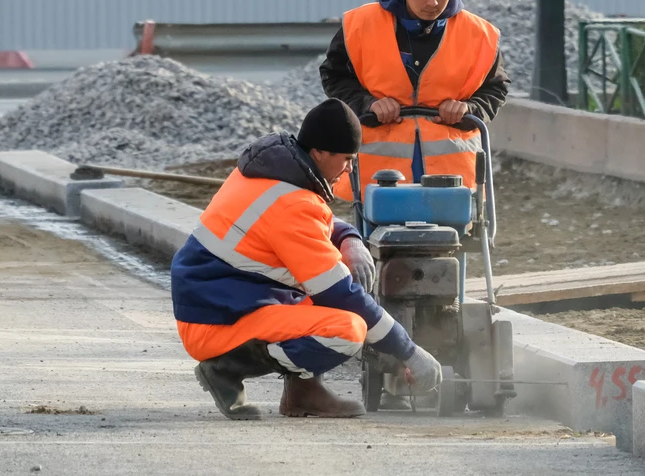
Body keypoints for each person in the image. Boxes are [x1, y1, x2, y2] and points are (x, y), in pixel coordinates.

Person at [170, 99, 442, 420]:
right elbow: (342, 294)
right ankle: (225, 369)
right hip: (216, 324)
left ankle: (304, 395)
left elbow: (312, 223)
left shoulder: (272, 172)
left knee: (322, 308)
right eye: (347, 159)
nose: (350, 168)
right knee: (347, 329)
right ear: (321, 153)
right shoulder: (293, 205)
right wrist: (408, 351)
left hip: (222, 303)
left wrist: (349, 238)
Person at [320, 0, 510, 200]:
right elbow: (335, 76)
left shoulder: (480, 34)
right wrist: (367, 104)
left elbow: (496, 87)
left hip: (454, 179)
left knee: (452, 238)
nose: (433, 2)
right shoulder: (360, 25)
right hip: (380, 179)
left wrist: (470, 109)